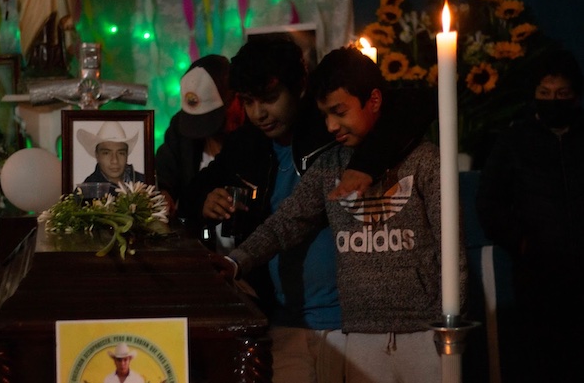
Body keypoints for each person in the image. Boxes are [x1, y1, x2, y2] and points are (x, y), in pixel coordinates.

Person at [180, 37, 438, 382]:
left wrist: (366, 164)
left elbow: (411, 105)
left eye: (270, 98)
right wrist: (204, 200)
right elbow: (204, 192)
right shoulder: (246, 144)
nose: (259, 113)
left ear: (300, 87)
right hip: (282, 318)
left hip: (352, 320)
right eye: (249, 101)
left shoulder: (329, 129)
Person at [476, 49, 584, 383]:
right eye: (545, 93)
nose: (554, 101)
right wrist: (521, 243)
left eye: (562, 93)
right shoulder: (514, 140)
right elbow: (489, 201)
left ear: (575, 95)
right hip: (537, 275)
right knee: (543, 361)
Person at [155, 54, 244, 218]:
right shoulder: (180, 127)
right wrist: (163, 192)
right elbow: (164, 169)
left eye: (210, 118)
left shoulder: (253, 136)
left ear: (234, 98)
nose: (205, 132)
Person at [77, 121, 145, 185]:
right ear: (97, 155)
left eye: (121, 153)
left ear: (126, 155)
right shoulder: (87, 190)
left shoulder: (145, 183)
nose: (115, 161)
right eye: (106, 153)